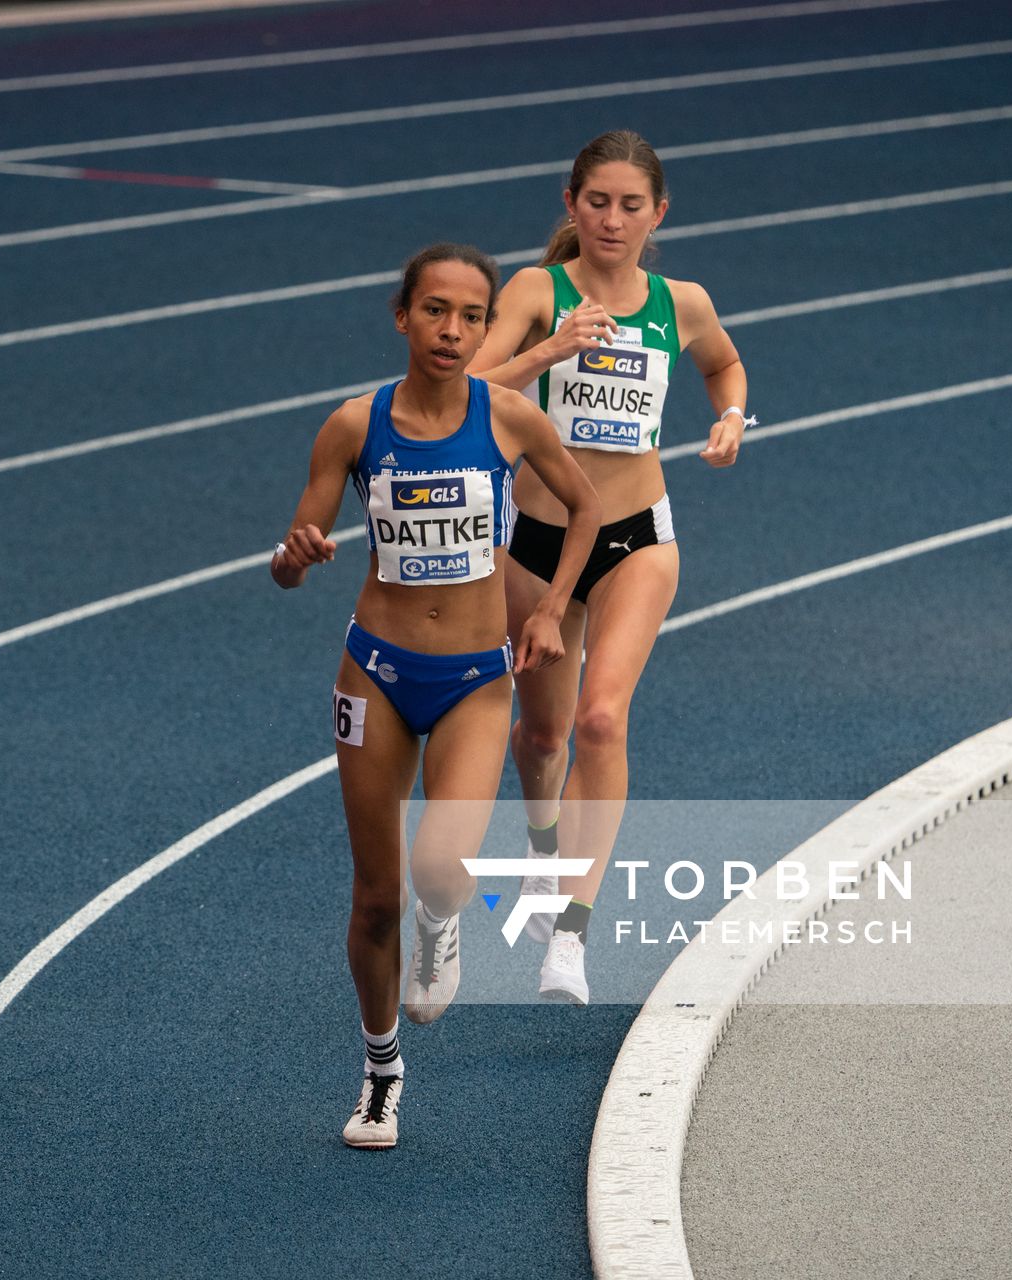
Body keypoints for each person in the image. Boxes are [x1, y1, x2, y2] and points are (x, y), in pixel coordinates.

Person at [272, 243, 600, 1149]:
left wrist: (553, 613)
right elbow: (290, 557)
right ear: (402, 317)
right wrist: (291, 559)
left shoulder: (510, 419)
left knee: (439, 871)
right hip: (374, 672)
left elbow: (587, 511)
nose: (451, 331)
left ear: (488, 326)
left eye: (470, 316)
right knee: (372, 897)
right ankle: (381, 1076)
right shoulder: (351, 426)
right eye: (434, 312)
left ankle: (441, 922)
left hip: (473, 679)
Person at [471, 130, 750, 1006]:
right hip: (539, 540)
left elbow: (725, 364)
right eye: (598, 201)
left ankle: (570, 940)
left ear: (658, 213)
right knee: (544, 734)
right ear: (571, 204)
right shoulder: (533, 290)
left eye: (632, 205)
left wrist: (733, 417)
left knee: (599, 722)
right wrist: (550, 350)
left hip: (637, 534)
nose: (614, 219)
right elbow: (467, 395)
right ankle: (544, 850)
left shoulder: (682, 301)